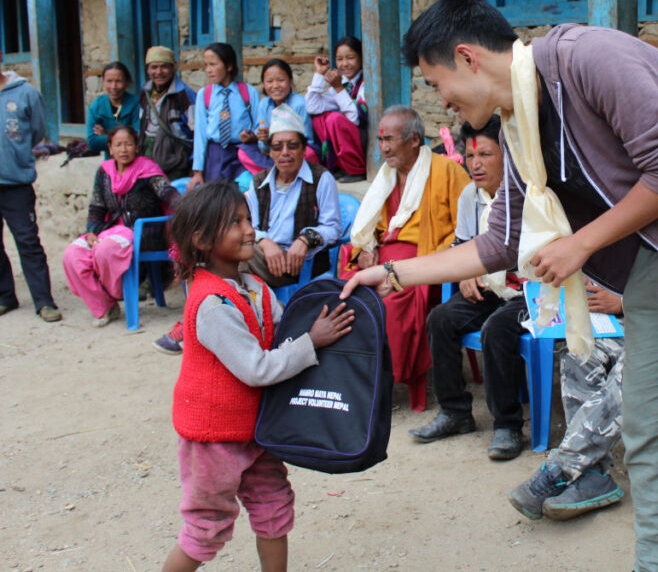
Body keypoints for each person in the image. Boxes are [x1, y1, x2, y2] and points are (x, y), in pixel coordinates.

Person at [341, 0, 658, 571]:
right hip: (655, 257)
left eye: (436, 83)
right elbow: (498, 243)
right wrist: (391, 273)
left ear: (467, 57)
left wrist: (580, 244)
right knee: (649, 432)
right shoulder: (517, 126)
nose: (444, 101)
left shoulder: (590, 59)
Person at [159, 181, 354, 572]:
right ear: (201, 239)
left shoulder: (254, 287)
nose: (249, 229)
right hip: (214, 438)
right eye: (235, 222)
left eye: (248, 218)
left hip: (258, 430)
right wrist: (311, 343)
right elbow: (256, 368)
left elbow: (283, 333)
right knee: (206, 525)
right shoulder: (211, 304)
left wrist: (317, 330)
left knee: (273, 507)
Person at [409, 115, 529, 460]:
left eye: (486, 155)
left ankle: (507, 425)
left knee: (497, 329)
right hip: (487, 288)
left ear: (507, 154)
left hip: (526, 292)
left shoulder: (525, 196)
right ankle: (455, 412)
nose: (475, 165)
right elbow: (462, 246)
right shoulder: (469, 197)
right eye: (470, 156)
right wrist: (464, 273)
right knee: (441, 318)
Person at [342, 105, 468, 412]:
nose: (383, 147)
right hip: (383, 258)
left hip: (424, 264)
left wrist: (442, 259)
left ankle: (384, 381)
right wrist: (366, 249)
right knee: (344, 292)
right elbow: (370, 227)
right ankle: (353, 379)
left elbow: (467, 230)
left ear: (414, 140)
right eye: (380, 140)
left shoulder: (447, 171)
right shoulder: (387, 176)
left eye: (389, 139)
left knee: (390, 299)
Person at [508, 280, 625, 520]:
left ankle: (561, 467)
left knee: (631, 374)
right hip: (623, 324)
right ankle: (594, 474)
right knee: (578, 353)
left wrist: (624, 302)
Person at [63, 125, 179, 327]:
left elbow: (166, 192)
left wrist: (187, 204)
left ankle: (116, 294)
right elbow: (96, 207)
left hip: (142, 233)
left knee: (106, 249)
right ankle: (105, 306)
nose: (124, 150)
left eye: (128, 144)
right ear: (110, 147)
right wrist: (91, 231)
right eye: (118, 145)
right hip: (110, 231)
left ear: (137, 146)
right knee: (73, 254)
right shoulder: (104, 172)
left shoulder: (147, 169)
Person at [244, 104, 344, 288]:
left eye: (292, 146)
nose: (284, 153)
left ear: (304, 149)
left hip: (299, 263)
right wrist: (265, 242)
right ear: (270, 152)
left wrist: (306, 239)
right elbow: (252, 227)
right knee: (228, 251)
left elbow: (334, 228)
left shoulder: (321, 178)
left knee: (236, 257)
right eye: (277, 147)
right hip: (263, 256)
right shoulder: (258, 182)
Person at [0, 65, 62, 322]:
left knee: (27, 241)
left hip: (16, 183)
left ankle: (44, 301)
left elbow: (36, 131)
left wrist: (17, 155)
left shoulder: (25, 93)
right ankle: (5, 296)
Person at [187, 43, 259, 191]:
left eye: (213, 64)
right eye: (206, 65)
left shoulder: (248, 92)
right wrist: (198, 172)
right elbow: (200, 134)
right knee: (216, 199)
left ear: (229, 66)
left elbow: (259, 125)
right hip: (214, 155)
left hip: (242, 153)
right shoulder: (204, 94)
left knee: (245, 191)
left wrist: (253, 136)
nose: (208, 70)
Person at [238, 59, 317, 173]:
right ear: (264, 84)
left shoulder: (299, 104)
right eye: (269, 81)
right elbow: (263, 147)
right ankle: (278, 171)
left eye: (281, 80)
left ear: (290, 81)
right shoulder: (264, 104)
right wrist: (263, 139)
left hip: (295, 153)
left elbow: (308, 141)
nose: (275, 86)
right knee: (243, 152)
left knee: (310, 154)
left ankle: (275, 172)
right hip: (273, 153)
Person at [305, 35, 367, 181]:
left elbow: (355, 119)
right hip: (348, 139)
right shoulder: (343, 83)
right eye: (339, 59)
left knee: (334, 119)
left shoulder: (366, 83)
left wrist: (339, 88)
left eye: (350, 57)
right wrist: (319, 74)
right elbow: (312, 106)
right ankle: (339, 166)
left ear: (361, 58)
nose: (345, 63)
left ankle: (355, 169)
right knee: (319, 119)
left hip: (364, 139)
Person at [138, 46, 197, 181]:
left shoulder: (184, 95)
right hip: (147, 160)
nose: (159, 72)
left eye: (164, 66)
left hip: (175, 163)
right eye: (154, 67)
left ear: (173, 68)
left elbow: (196, 133)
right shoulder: (145, 92)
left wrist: (194, 166)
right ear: (148, 69)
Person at [86, 61, 140, 158]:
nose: (113, 87)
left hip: (135, 161)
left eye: (118, 81)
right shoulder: (97, 106)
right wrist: (126, 138)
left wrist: (107, 135)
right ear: (103, 82)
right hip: (111, 163)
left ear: (127, 82)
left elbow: (138, 138)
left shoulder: (136, 104)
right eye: (109, 81)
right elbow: (92, 142)